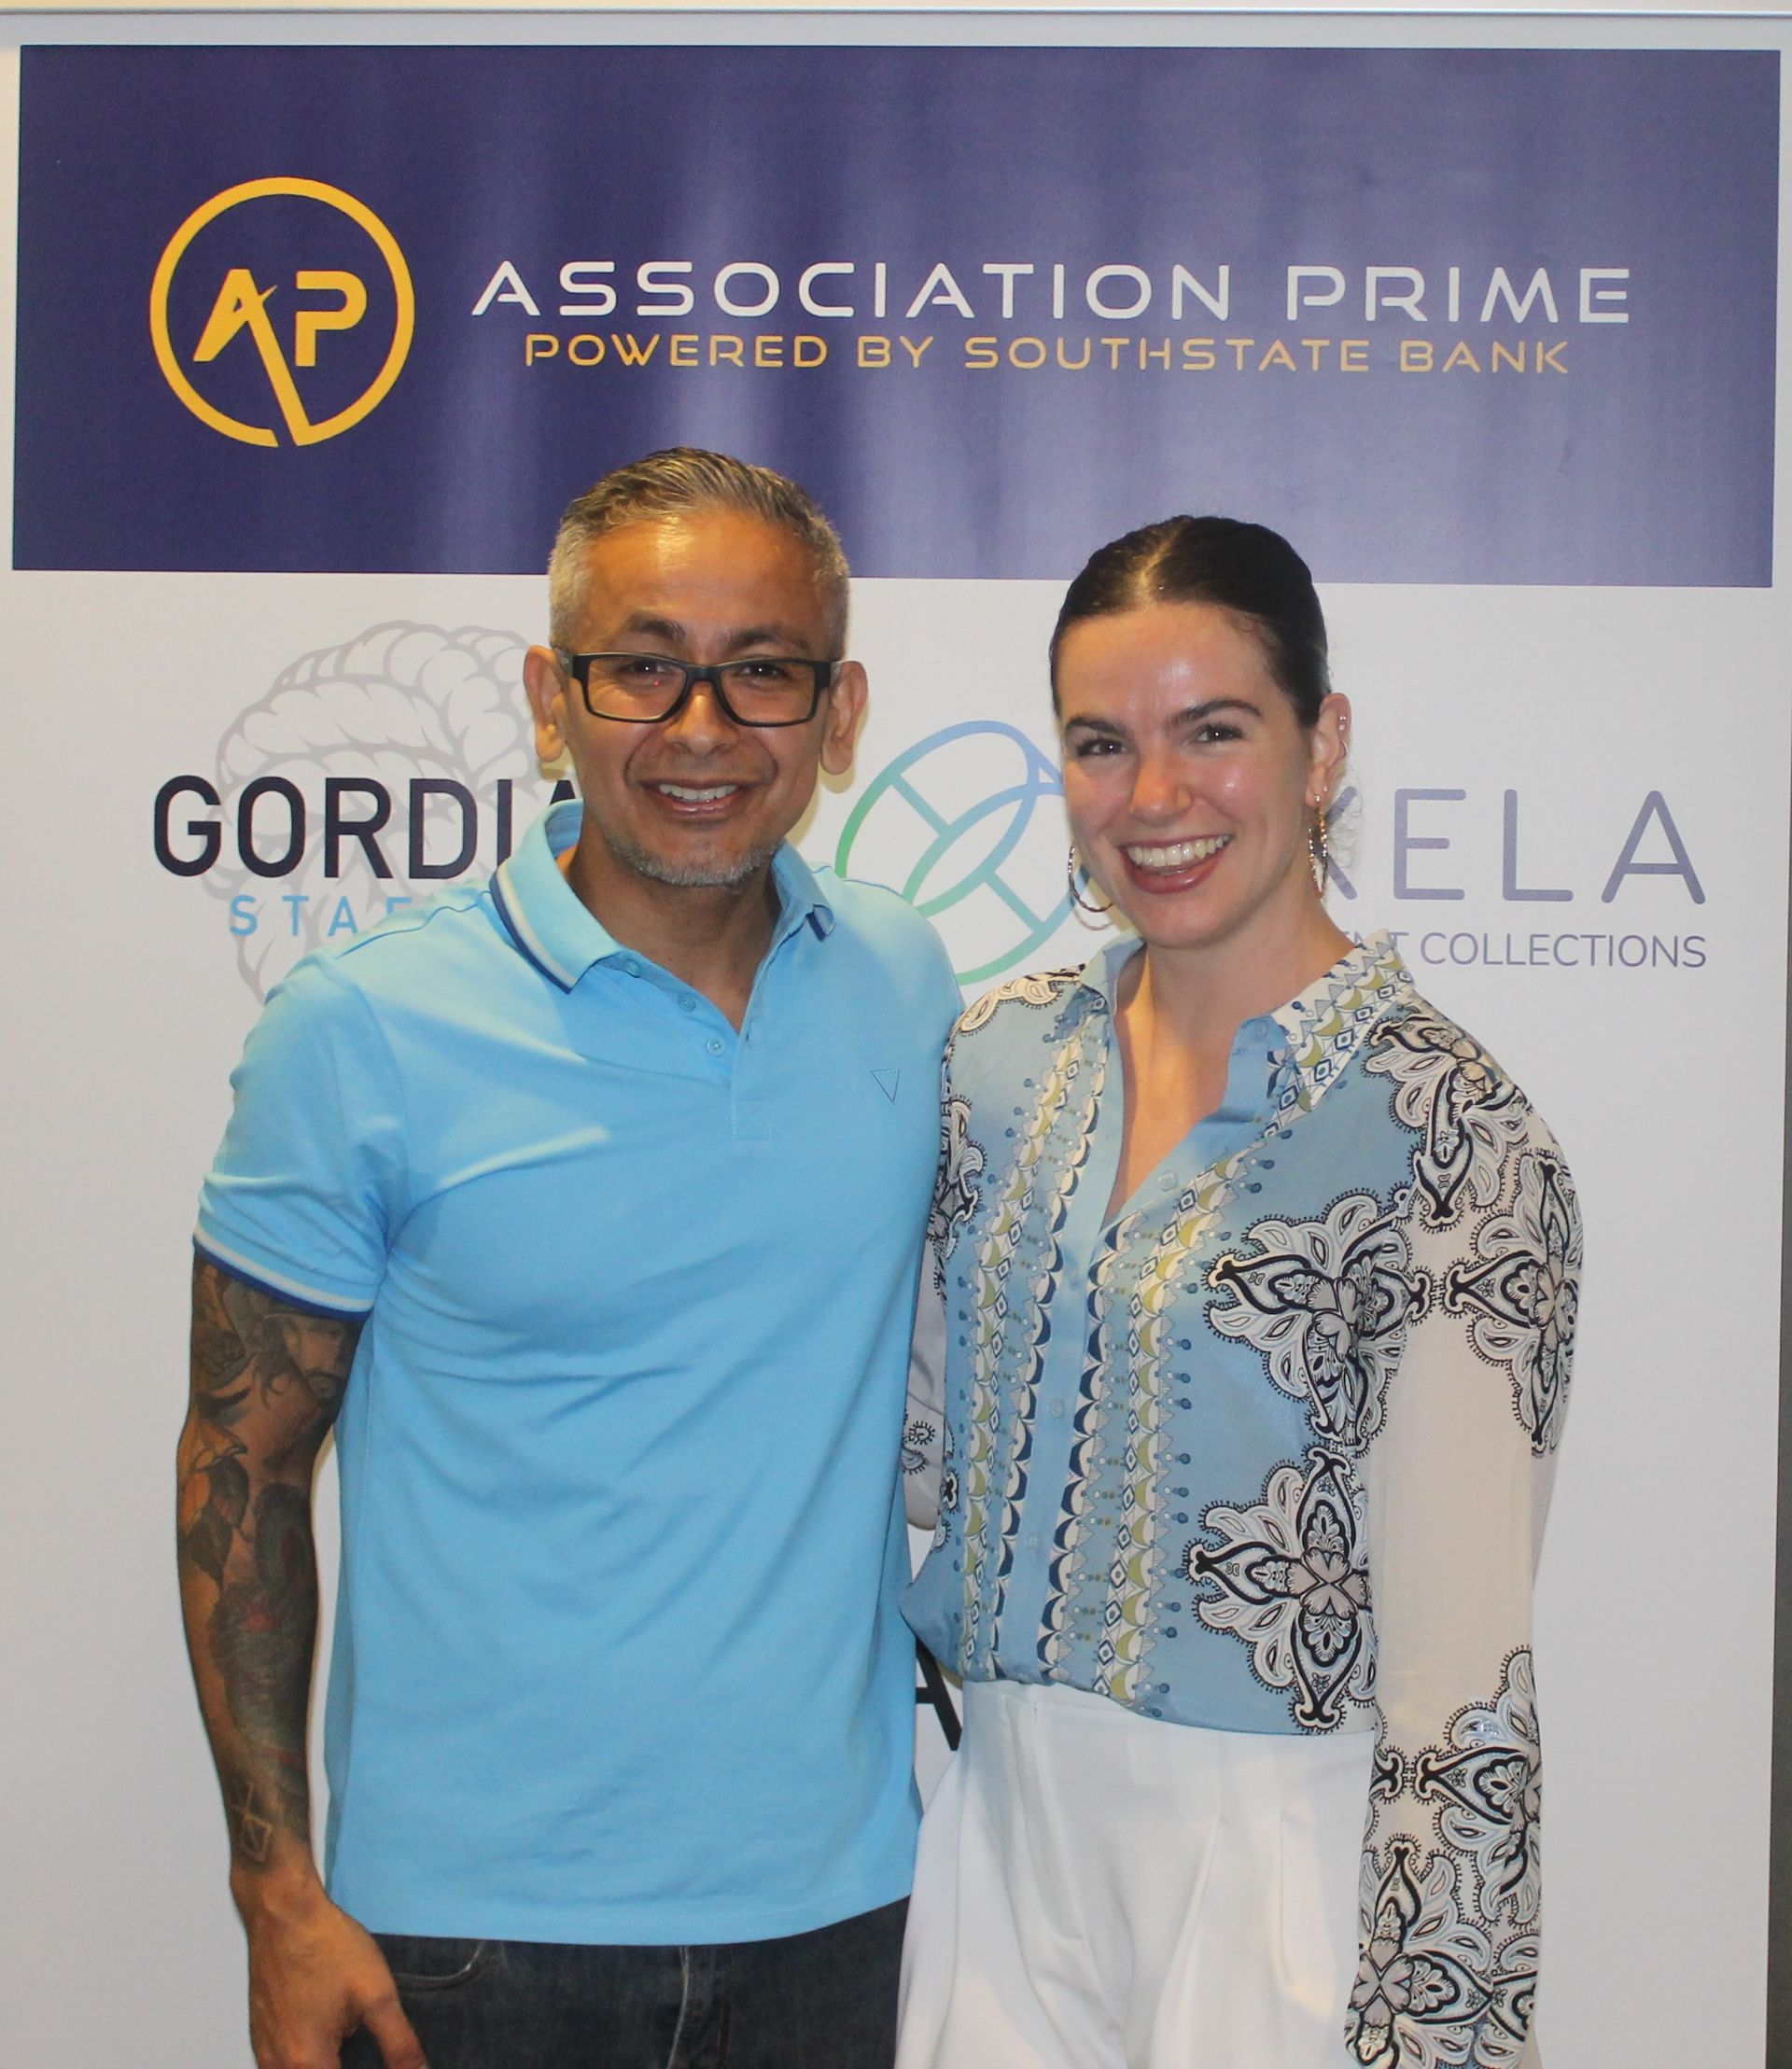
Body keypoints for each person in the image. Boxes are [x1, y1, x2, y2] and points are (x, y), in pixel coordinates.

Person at [176, 448, 962, 2069]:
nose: (699, 728)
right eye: (641, 666)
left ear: (840, 708)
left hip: (845, 1914)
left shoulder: (904, 979)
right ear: (551, 694)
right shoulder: (364, 1027)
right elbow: (240, 1466)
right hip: (467, 1945)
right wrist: (278, 1897)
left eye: (761, 672)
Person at [899, 516, 1580, 2069]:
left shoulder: (1455, 1136)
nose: (1154, 799)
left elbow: (1460, 1676)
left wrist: (1440, 2032)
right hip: (997, 1837)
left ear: (1321, 741)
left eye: (1213, 732)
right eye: (1100, 743)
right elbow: (915, 1449)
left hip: (1282, 1875)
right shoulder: (993, 1063)